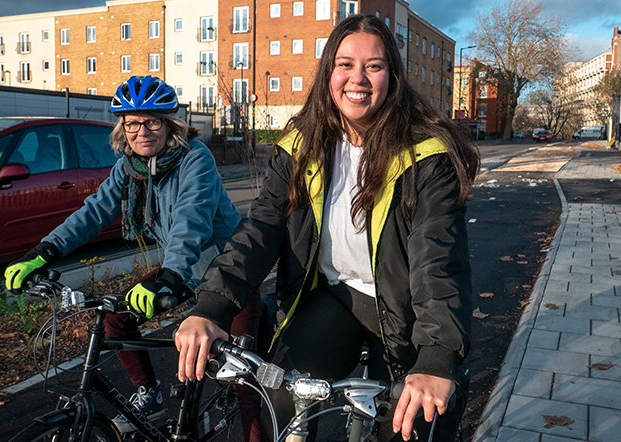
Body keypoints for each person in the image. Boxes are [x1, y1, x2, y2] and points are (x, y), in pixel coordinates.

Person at [174, 14, 479, 442]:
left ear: (393, 75)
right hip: (337, 295)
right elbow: (262, 227)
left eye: (374, 66)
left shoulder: (425, 155)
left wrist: (438, 357)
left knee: (408, 425)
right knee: (281, 397)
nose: (359, 78)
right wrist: (211, 306)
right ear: (328, 73)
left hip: (408, 309)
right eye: (345, 64)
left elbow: (438, 261)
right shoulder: (301, 143)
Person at [3, 75, 261, 439]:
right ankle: (150, 397)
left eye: (152, 121)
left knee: (242, 380)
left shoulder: (194, 158)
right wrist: (43, 253)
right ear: (123, 128)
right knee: (116, 318)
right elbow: (92, 213)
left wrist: (168, 277)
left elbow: (192, 217)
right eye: (132, 123)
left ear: (169, 124)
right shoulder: (129, 168)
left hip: (227, 269)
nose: (142, 131)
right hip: (184, 268)